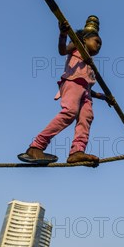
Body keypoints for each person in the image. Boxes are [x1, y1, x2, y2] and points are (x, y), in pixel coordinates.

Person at [18, 15, 111, 164]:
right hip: (72, 83)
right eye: (97, 41)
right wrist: (63, 34)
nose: (99, 45)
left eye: (101, 44)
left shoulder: (90, 64)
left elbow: (86, 85)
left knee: (86, 118)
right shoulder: (77, 46)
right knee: (69, 112)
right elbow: (62, 50)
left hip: (85, 92)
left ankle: (77, 151)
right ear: (84, 40)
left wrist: (103, 96)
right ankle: (36, 147)